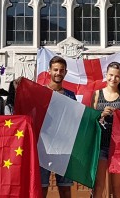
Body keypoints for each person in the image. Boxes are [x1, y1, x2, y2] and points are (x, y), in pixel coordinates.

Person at [94, 62, 120, 198]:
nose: (113, 79)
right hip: (100, 145)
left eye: (117, 76)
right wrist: (101, 114)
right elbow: (91, 120)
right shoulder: (97, 94)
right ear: (106, 75)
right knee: (98, 185)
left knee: (118, 188)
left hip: (119, 147)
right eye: (111, 75)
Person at [40, 56, 77, 198]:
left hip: (64, 149)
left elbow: (76, 120)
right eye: (55, 70)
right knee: (42, 188)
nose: (58, 73)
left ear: (65, 72)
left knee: (65, 190)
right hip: (43, 148)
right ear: (49, 71)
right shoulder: (40, 92)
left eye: (61, 70)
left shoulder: (70, 96)